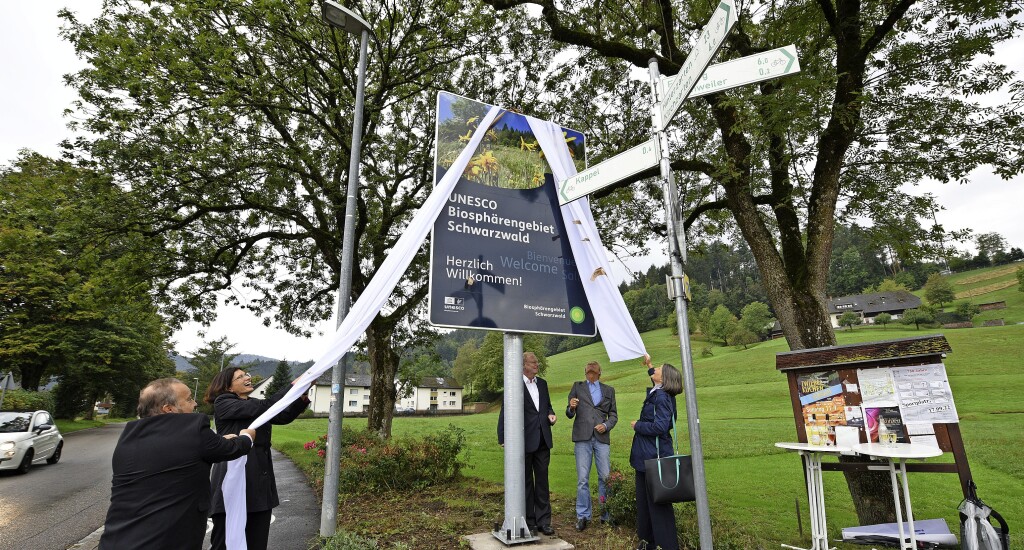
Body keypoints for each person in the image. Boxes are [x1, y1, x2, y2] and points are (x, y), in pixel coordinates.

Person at [99, 378, 255, 550]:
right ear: (169, 409)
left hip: (117, 540)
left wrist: (214, 442)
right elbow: (230, 449)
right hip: (166, 540)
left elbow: (183, 450)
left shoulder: (129, 436)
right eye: (188, 399)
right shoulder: (193, 428)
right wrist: (247, 437)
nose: (195, 403)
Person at [206, 367, 310, 550]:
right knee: (224, 542)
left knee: (257, 541)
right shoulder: (224, 402)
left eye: (246, 374)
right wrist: (294, 385)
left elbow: (282, 416)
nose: (248, 377)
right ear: (229, 387)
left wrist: (301, 396)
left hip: (259, 479)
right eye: (240, 376)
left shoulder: (255, 403)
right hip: (232, 478)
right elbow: (268, 406)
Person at [497, 351, 557, 536]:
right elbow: (505, 411)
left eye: (536, 362)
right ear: (523, 365)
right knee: (526, 484)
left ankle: (544, 521)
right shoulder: (514, 385)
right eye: (533, 362)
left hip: (543, 440)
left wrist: (551, 414)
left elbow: (547, 406)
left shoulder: (543, 384)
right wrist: (503, 437)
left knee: (542, 483)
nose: (536, 365)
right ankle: (529, 521)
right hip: (523, 442)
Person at [629, 358, 684, 550]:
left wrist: (638, 425)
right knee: (646, 504)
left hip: (653, 457)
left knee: (658, 506)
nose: (656, 370)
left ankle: (666, 545)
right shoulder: (661, 392)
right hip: (647, 456)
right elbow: (654, 377)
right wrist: (649, 365)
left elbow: (661, 426)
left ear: (665, 378)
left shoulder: (661, 397)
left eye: (659, 369)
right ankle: (648, 543)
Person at [566, 360, 617, 531]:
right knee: (582, 480)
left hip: (601, 438)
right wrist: (571, 408)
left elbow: (614, 416)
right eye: (588, 370)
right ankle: (583, 516)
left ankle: (606, 515)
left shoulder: (609, 390)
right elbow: (568, 413)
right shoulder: (577, 387)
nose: (591, 372)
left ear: (600, 373)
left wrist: (606, 425)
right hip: (582, 438)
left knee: (605, 478)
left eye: (594, 370)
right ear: (585, 372)